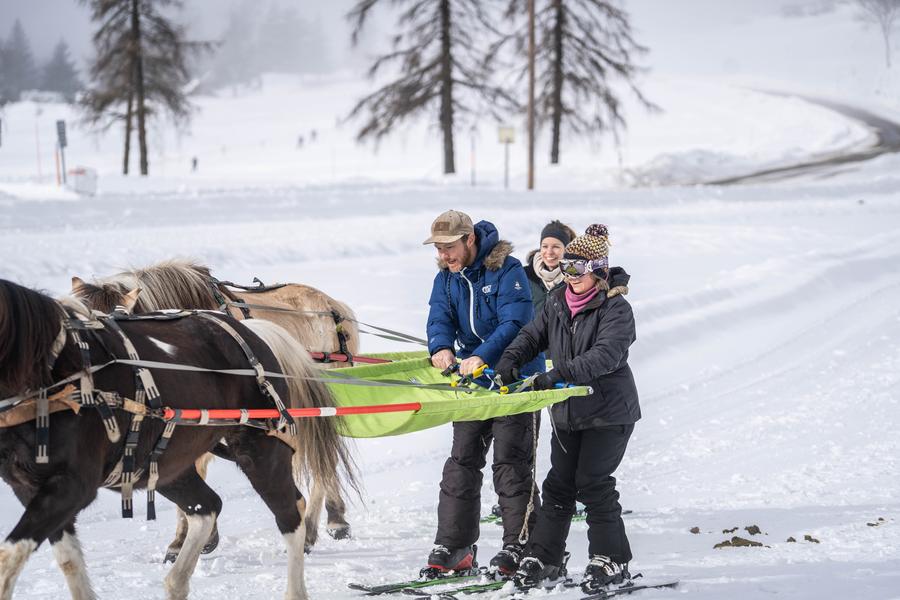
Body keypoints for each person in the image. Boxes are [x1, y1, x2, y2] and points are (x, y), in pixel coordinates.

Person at [493, 224, 641, 594]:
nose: (570, 277)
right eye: (567, 269)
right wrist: (510, 358)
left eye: (578, 270)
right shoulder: (558, 301)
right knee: (558, 485)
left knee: (592, 484)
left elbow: (606, 355)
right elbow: (531, 335)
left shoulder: (615, 309)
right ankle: (546, 557)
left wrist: (560, 373)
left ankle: (612, 559)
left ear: (598, 271)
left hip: (608, 412)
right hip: (568, 413)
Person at [423, 209, 545, 576]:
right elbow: (438, 317)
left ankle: (520, 545)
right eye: (439, 248)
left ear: (469, 239)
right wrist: (440, 347)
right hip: (471, 383)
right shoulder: (446, 278)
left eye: (449, 247)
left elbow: (516, 323)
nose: (444, 255)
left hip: (515, 378)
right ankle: (455, 545)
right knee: (461, 463)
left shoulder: (506, 271)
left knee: (511, 464)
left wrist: (481, 355)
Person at [523, 220, 576, 313]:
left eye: (556, 247)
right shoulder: (524, 276)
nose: (549, 252)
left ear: (567, 250)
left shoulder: (576, 278)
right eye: (545, 246)